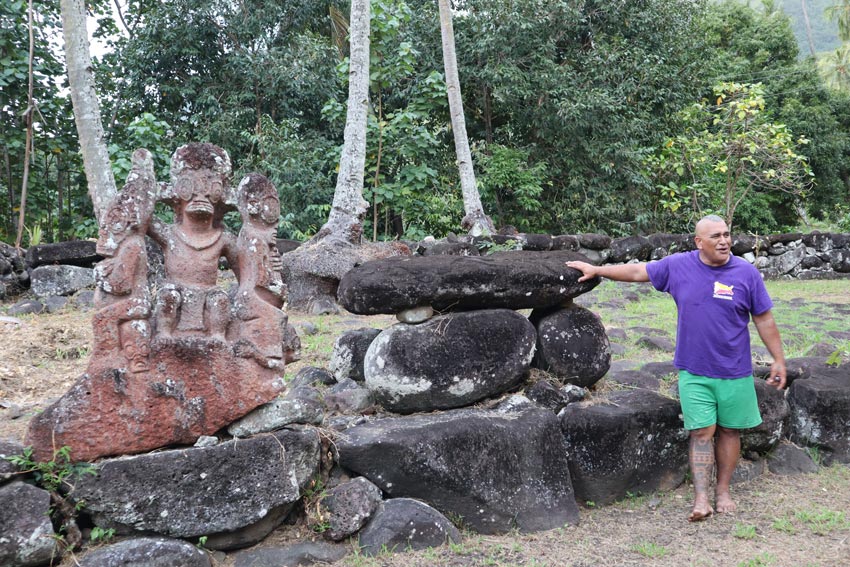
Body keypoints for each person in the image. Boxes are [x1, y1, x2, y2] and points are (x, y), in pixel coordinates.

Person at [566, 214, 786, 522]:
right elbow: (638, 271)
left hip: (735, 370)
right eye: (716, 237)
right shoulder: (679, 266)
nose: (724, 241)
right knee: (701, 432)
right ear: (699, 242)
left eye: (726, 234)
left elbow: (763, 318)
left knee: (730, 430)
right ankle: (701, 498)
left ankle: (723, 491)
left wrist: (778, 358)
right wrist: (597, 269)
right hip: (694, 369)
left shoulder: (746, 273)